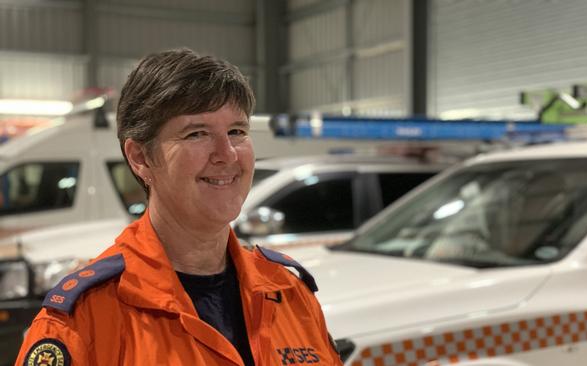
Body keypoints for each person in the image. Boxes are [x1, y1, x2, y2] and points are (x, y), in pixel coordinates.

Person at [14, 48, 342, 366]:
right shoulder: (85, 319)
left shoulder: (289, 291)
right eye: (196, 133)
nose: (227, 154)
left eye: (237, 131)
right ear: (140, 157)